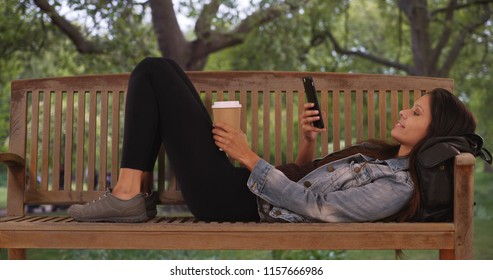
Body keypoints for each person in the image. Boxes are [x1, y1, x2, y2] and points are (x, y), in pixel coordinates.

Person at [67, 57, 476, 223]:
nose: (404, 112)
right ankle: (129, 195)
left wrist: (248, 157)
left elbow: (315, 208)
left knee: (154, 73)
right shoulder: (382, 158)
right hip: (241, 189)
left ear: (433, 132)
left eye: (416, 113)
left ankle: (127, 196)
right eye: (411, 107)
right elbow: (302, 182)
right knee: (165, 73)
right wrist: (307, 143)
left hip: (237, 203)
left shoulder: (397, 187)